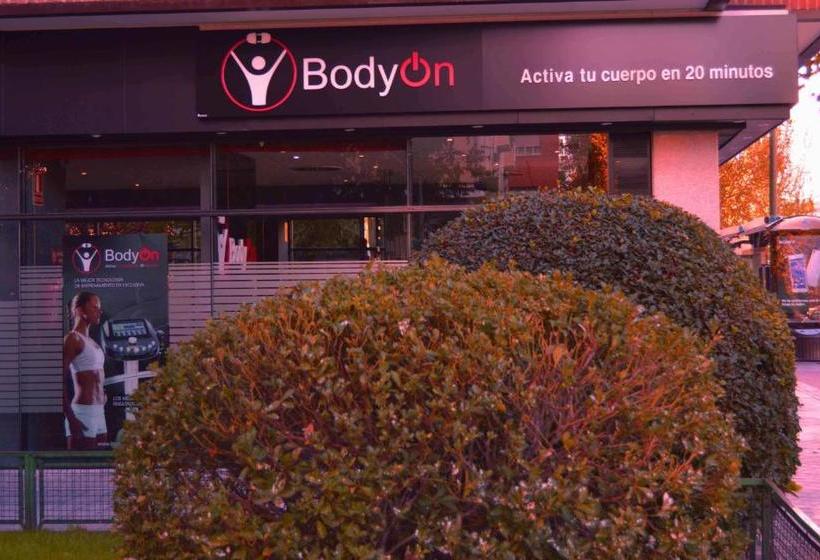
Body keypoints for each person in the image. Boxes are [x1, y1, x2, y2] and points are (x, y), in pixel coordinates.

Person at [62, 291, 108, 450]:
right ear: (80, 310)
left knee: (100, 463)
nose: (99, 311)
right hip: (82, 412)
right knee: (81, 463)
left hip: (99, 411)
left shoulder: (92, 342)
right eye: (94, 307)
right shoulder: (72, 339)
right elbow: (57, 381)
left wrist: (102, 394)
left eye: (99, 308)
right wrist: (71, 418)